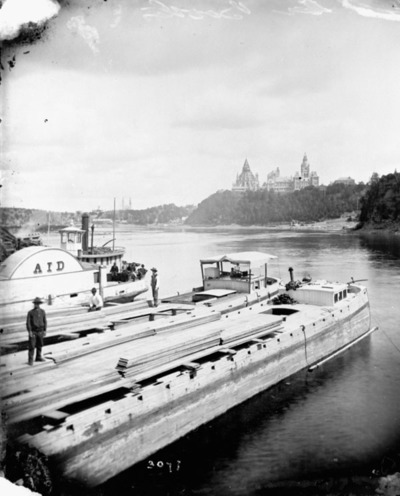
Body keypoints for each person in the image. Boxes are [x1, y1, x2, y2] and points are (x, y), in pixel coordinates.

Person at [26, 297, 47, 365]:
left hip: (40, 331)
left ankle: (38, 357)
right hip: (33, 332)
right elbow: (28, 323)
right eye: (35, 303)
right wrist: (30, 331)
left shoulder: (42, 311)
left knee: (40, 344)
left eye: (38, 303)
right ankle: (30, 360)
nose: (36, 305)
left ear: (39, 304)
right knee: (32, 346)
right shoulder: (30, 312)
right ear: (34, 304)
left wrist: (45, 330)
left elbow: (45, 321)